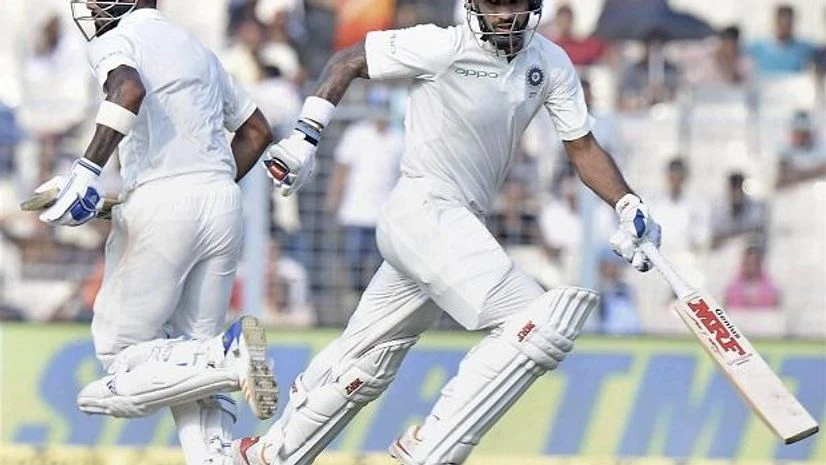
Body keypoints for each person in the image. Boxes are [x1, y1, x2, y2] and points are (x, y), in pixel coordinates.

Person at [238, 1, 661, 464]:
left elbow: (581, 147)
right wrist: (305, 136)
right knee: (539, 321)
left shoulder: (549, 61)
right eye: (493, 4)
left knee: (365, 365)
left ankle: (267, 453)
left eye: (513, 4)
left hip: (454, 226)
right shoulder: (443, 44)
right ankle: (430, 447)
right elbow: (348, 59)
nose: (503, 15)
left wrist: (627, 203)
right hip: (424, 209)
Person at [39, 2, 279, 464]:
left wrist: (88, 170)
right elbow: (257, 131)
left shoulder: (116, 39)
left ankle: (224, 356)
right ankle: (215, 455)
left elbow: (127, 90)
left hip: (162, 203)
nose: (90, 4)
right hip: (222, 204)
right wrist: (201, 191)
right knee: (191, 369)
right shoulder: (199, 49)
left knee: (119, 354)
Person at [325, 98, 402, 295]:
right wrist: (334, 197)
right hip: (356, 210)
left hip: (385, 213)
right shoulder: (357, 134)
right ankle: (358, 296)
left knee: (382, 264)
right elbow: (342, 169)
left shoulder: (398, 138)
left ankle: (376, 298)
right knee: (354, 260)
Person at [746, 4, 818, 75]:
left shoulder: (804, 48)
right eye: (781, 23)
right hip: (767, 84)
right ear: (775, 22)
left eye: (788, 24)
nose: (784, 28)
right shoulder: (758, 48)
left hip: (793, 85)